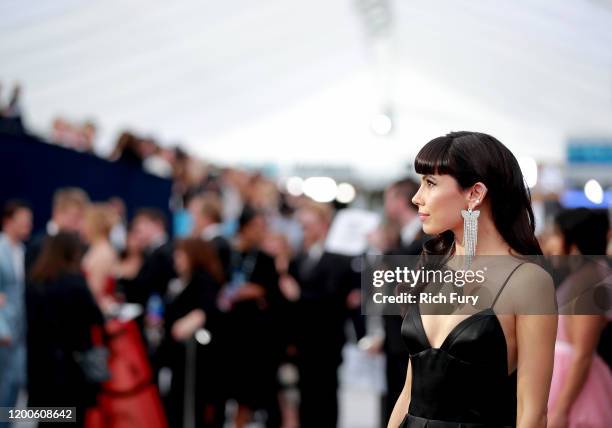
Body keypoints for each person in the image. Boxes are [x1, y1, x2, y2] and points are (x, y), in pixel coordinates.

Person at [388, 131, 557, 428]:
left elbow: (532, 413)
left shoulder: (528, 282)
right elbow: (408, 393)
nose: (417, 197)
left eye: (430, 183)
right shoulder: (431, 267)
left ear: (475, 193)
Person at [279, 201, 358, 428]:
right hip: (302, 342)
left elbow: (333, 300)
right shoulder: (298, 259)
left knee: (325, 397)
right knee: (305, 396)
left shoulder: (338, 260)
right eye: (301, 226)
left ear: (323, 225)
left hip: (327, 342)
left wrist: (299, 296)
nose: (303, 231)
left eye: (307, 225)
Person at [26, 232, 104, 427]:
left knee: (47, 420)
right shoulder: (75, 283)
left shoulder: (35, 282)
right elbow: (96, 318)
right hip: (71, 369)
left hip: (41, 369)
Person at [546, 208, 612, 427]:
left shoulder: (590, 281)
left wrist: (562, 409)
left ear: (573, 241)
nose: (550, 244)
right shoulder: (582, 278)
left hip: (577, 388)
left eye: (555, 235)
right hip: (564, 380)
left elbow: (583, 353)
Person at [219, 205, 282, 428]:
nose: (260, 232)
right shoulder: (225, 253)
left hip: (253, 336)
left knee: (249, 392)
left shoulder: (264, 259)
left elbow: (274, 294)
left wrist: (256, 291)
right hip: (227, 331)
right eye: (256, 227)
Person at [158, 238, 224, 428]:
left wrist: (185, 324)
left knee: (190, 403)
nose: (176, 259)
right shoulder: (178, 280)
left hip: (193, 356)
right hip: (176, 355)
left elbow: (204, 310)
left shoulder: (202, 279)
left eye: (180, 254)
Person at [0, 200, 32, 421]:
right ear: (8, 221)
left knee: (14, 384)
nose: (27, 226)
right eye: (23, 222)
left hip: (20, 328)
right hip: (4, 330)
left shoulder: (23, 251)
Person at [25, 187, 89, 273]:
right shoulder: (37, 245)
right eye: (76, 216)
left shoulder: (83, 244)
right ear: (57, 213)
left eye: (82, 217)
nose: (80, 223)